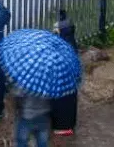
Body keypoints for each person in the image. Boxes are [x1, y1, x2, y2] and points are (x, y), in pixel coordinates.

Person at [50, 10, 78, 138]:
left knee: (61, 105)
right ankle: (68, 125)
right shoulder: (70, 43)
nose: (54, 33)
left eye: (56, 31)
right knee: (70, 104)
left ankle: (61, 127)